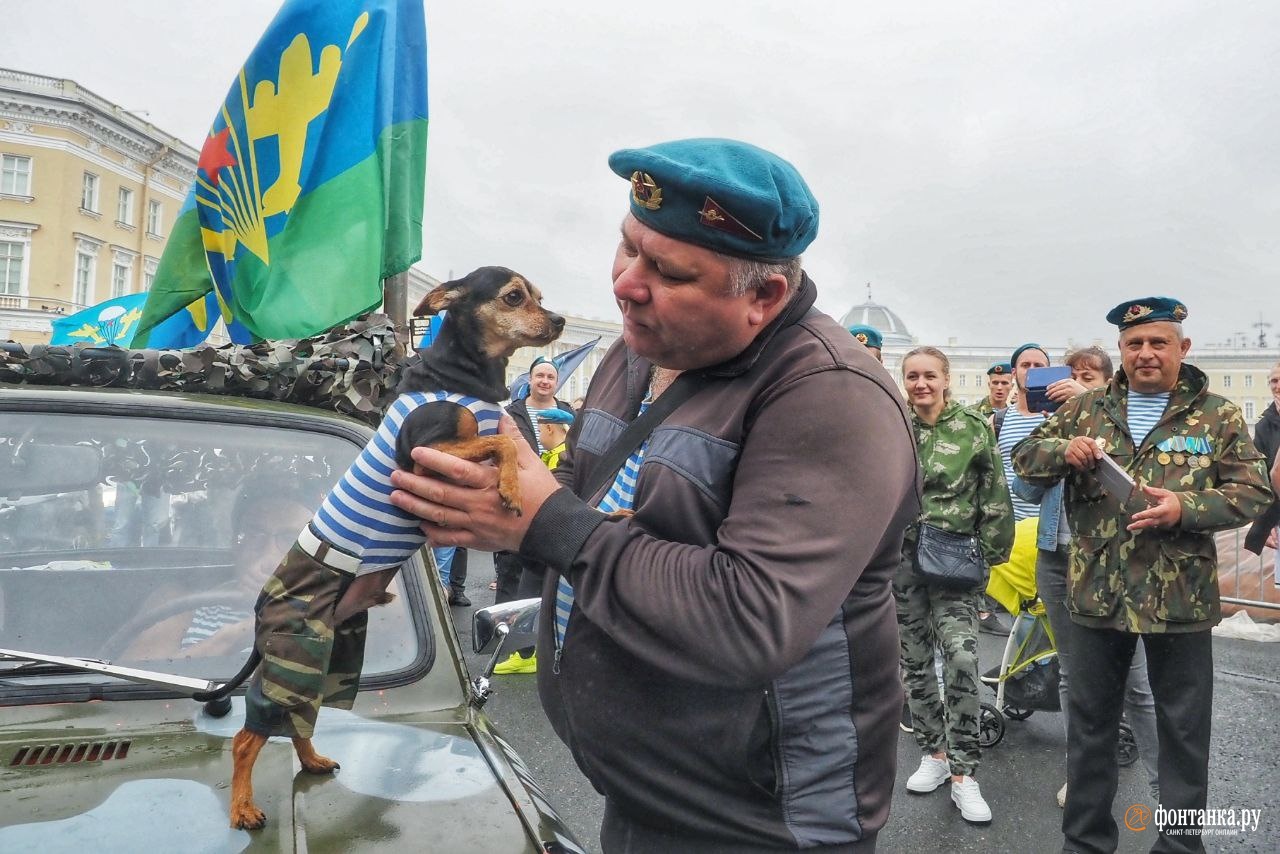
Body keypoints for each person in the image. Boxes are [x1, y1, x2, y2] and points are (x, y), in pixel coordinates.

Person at [389, 137, 920, 853]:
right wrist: (472, 499)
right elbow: (582, 491)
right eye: (628, 247)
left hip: (756, 820)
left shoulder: (831, 394)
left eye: (667, 270)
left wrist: (546, 521)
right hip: (642, 788)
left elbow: (748, 618)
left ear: (764, 296)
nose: (627, 285)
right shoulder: (639, 347)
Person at [1013, 297, 1273, 854]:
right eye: (1135, 344)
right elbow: (1026, 458)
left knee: (1182, 733)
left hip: (1178, 596)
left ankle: (1179, 847)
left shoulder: (1217, 414)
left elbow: (1253, 490)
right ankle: (1085, 843)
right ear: (1121, 351)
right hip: (1095, 593)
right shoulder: (1086, 409)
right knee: (1090, 728)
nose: (1146, 353)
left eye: (1158, 343)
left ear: (1183, 349)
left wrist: (1186, 508)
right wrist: (1065, 449)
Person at [1013, 343, 1161, 808]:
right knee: (1072, 674)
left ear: (1107, 385)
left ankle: (1165, 787)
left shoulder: (1124, 424)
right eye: (1069, 377)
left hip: (1112, 564)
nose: (1072, 387)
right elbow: (1024, 489)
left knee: (1136, 684)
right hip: (1057, 562)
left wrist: (1091, 414)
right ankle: (1083, 776)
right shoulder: (1056, 428)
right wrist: (1059, 447)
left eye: (1088, 379)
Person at [896, 346, 1014, 825]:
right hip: (903, 561)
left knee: (963, 656)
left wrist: (987, 558)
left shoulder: (971, 426)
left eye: (929, 375)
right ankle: (935, 755)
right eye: (912, 376)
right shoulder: (894, 423)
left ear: (946, 379)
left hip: (953, 563)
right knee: (916, 661)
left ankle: (965, 772)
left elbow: (995, 492)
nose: (921, 384)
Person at [125, 481, 316, 659]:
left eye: (291, 539)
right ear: (235, 545)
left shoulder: (332, 610)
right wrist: (235, 636)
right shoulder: (179, 603)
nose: (269, 555)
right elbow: (132, 683)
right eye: (255, 535)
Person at [492, 356, 576, 606]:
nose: (544, 381)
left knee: (546, 579)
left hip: (556, 501)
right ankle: (504, 636)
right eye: (540, 375)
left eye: (550, 377)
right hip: (517, 501)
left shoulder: (568, 413)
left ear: (557, 382)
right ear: (530, 379)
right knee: (511, 573)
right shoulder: (509, 414)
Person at [1244, 360, 1280, 554]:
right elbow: (1261, 477)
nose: (1278, 386)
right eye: (1274, 380)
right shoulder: (1264, 426)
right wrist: (1263, 524)